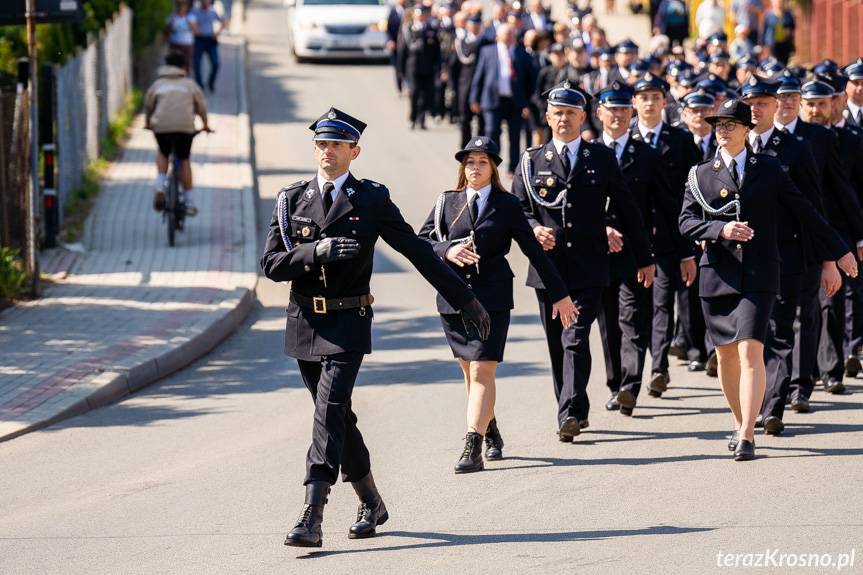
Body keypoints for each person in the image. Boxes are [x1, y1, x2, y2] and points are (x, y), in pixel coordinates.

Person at [261, 107, 490, 548]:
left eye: (336, 145)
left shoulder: (371, 199)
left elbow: (417, 251)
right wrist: (316, 252)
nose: (327, 152)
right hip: (305, 321)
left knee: (328, 412)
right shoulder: (292, 199)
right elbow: (271, 265)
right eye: (321, 144)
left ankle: (313, 510)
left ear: (354, 151)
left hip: (348, 322)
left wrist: (465, 298)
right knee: (336, 415)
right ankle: (371, 500)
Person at [678, 100, 856, 461]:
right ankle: (739, 419)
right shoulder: (700, 174)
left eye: (731, 124)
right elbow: (685, 221)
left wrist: (837, 250)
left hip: (760, 272)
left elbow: (806, 210)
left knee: (750, 348)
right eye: (719, 125)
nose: (723, 130)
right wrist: (720, 228)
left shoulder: (769, 168)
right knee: (726, 354)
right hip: (717, 274)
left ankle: (747, 434)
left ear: (747, 130)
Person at [418, 137, 577, 472]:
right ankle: (490, 429)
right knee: (469, 370)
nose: (475, 168)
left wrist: (560, 292)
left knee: (482, 368)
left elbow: (534, 252)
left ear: (493, 168)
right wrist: (447, 250)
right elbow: (423, 241)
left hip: (492, 297)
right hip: (455, 297)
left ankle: (471, 445)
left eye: (482, 162)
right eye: (469, 162)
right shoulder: (447, 201)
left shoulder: (507, 206)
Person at [511, 82, 655, 441]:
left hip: (589, 266)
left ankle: (569, 412)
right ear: (548, 116)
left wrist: (644, 258)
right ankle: (575, 404)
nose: (564, 119)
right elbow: (516, 210)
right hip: (548, 270)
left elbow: (628, 210)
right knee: (558, 342)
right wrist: (532, 229)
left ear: (582, 117)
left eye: (571, 113)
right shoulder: (531, 161)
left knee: (575, 337)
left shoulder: (600, 159)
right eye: (558, 112)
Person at [593, 81, 690, 416]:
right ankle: (614, 382)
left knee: (633, 317)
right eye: (612, 108)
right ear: (599, 113)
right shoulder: (588, 153)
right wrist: (599, 229)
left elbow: (665, 206)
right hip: (597, 251)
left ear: (629, 112)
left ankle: (630, 385)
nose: (618, 115)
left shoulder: (645, 155)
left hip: (637, 251)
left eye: (623, 109)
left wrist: (681, 250)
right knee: (607, 322)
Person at [628, 73, 702, 393]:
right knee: (631, 310)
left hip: (670, 238)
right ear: (634, 103)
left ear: (665, 102)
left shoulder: (681, 141)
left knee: (661, 303)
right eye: (643, 97)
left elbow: (694, 194)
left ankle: (658, 366)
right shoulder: (622, 141)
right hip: (630, 240)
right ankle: (628, 376)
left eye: (656, 97)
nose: (649, 103)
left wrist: (688, 248)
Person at [144, 51, 210, 216]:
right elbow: (201, 106)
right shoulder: (190, 85)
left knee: (163, 152)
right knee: (184, 159)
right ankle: (188, 202)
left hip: (161, 127)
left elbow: (148, 105)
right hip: (185, 128)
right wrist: (205, 124)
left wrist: (147, 123)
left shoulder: (157, 84)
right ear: (183, 67)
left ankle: (160, 186)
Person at [470, 23, 536, 174]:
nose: (508, 38)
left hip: (515, 101)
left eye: (511, 35)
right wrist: (474, 98)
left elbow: (529, 80)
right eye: (506, 35)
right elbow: (479, 76)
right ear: (498, 36)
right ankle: (492, 166)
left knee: (515, 135)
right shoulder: (487, 51)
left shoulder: (522, 53)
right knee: (492, 132)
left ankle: (513, 167)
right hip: (492, 100)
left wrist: (527, 103)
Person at [405, 4, 441, 130]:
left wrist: (439, 67)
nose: (421, 17)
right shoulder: (408, 28)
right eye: (418, 15)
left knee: (426, 95)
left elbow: (437, 50)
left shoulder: (431, 29)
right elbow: (403, 50)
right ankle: (413, 118)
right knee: (414, 93)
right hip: (413, 67)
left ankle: (422, 120)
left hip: (428, 68)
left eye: (423, 15)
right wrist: (401, 71)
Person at [192, 0, 224, 93]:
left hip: (210, 40)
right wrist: (195, 30)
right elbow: (190, 21)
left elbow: (224, 21)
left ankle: (211, 83)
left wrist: (218, 32)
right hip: (199, 40)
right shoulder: (195, 11)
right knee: (197, 63)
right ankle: (199, 85)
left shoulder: (213, 11)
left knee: (215, 63)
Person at [165, 0, 198, 73]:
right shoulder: (171, 17)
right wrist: (170, 26)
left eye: (183, 6)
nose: (181, 8)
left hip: (187, 45)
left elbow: (196, 32)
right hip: (174, 44)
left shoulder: (191, 17)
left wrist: (191, 24)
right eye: (179, 5)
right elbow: (166, 33)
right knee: (172, 65)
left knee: (186, 65)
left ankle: (185, 81)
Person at [762, 0, 795, 65]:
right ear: (772, 2)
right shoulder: (768, 15)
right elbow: (764, 30)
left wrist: (789, 31)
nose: (779, 2)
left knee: (784, 64)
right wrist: (763, 45)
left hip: (785, 43)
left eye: (781, 1)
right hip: (773, 44)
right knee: (774, 64)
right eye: (777, 1)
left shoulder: (788, 15)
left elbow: (793, 26)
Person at [386, 0, 407, 95]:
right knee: (398, 67)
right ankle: (399, 88)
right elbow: (388, 29)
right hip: (396, 44)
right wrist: (390, 40)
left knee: (407, 66)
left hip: (405, 45)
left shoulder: (408, 10)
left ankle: (408, 86)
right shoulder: (393, 12)